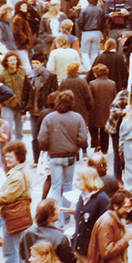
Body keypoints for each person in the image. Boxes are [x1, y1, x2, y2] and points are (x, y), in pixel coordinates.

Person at [38, 90, 88, 227]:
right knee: (67, 186)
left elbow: (42, 139)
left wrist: (48, 147)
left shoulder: (49, 118)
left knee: (55, 187)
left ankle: (57, 219)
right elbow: (83, 138)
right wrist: (75, 146)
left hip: (54, 156)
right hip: (70, 156)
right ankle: (65, 216)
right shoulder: (77, 117)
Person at [0, 140, 33, 263]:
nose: (6, 159)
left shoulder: (16, 175)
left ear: (19, 157)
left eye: (10, 157)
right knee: (17, 249)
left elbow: (7, 197)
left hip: (12, 217)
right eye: (5, 156)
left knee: (10, 252)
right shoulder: (20, 170)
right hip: (19, 216)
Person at [87, 188, 132, 263]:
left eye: (130, 207)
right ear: (115, 206)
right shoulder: (107, 223)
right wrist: (125, 239)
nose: (129, 211)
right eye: (126, 207)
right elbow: (106, 252)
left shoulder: (115, 218)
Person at [72, 166, 111, 263]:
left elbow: (106, 227)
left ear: (87, 180)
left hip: (93, 252)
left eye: (78, 180)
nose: (74, 183)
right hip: (80, 248)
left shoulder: (102, 199)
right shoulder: (82, 197)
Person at [19, 198, 77, 263]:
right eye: (57, 209)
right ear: (51, 214)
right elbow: (70, 262)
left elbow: (22, 255)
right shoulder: (60, 237)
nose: (59, 211)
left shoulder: (28, 233)